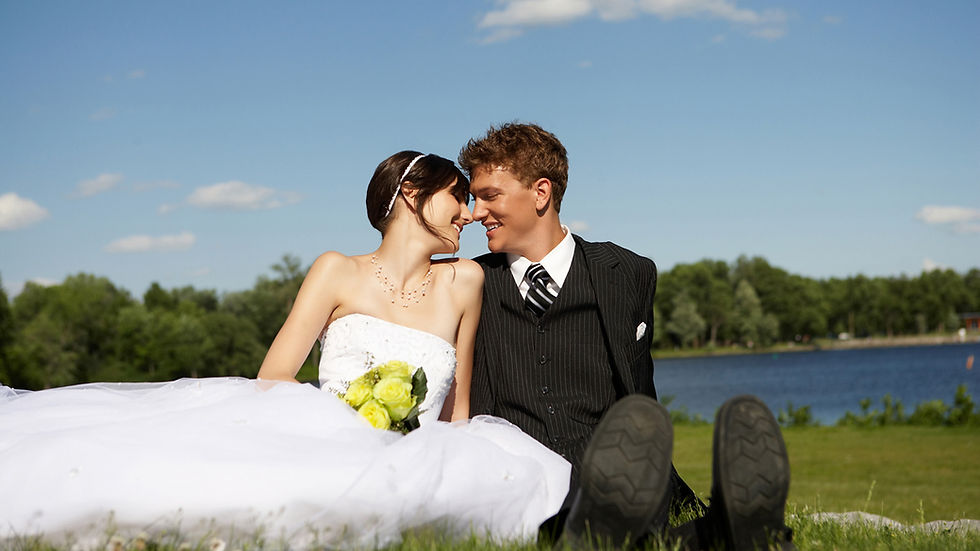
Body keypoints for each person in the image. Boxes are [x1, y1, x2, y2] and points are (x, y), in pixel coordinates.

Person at [0, 151, 570, 550]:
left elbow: (457, 408)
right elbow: (274, 377)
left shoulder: (464, 281)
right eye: (459, 198)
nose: (470, 214)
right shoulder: (336, 271)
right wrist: (348, 425)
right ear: (413, 196)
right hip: (333, 438)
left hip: (419, 450)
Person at [459, 123, 794, 551]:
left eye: (489, 195)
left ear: (541, 193)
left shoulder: (629, 272)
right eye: (473, 198)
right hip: (524, 481)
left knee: (638, 525)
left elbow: (639, 389)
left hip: (621, 476)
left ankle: (730, 522)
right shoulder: (470, 282)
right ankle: (725, 532)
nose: (475, 212)